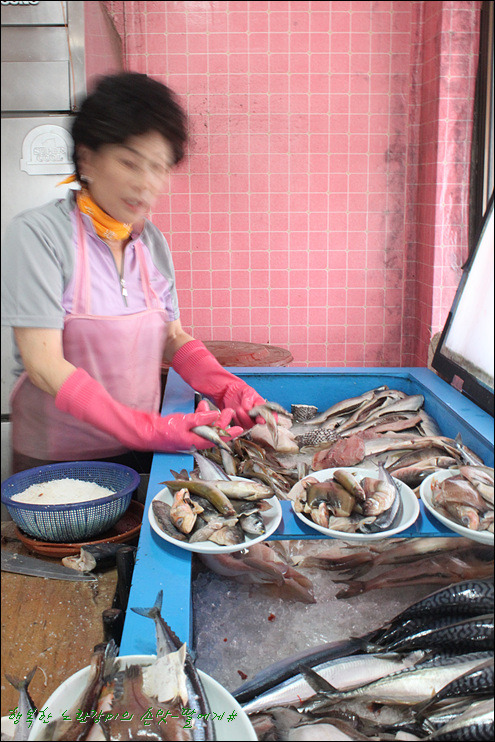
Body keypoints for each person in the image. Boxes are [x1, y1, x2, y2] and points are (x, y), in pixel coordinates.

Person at [1, 72, 267, 475]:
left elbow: (171, 336)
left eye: (158, 168)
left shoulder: (151, 242)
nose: (146, 184)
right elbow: (44, 365)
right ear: (87, 158)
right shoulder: (39, 236)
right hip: (58, 465)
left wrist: (225, 385)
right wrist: (144, 429)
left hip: (146, 451)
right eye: (130, 162)